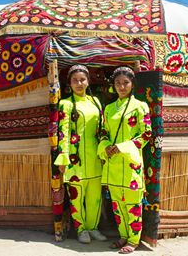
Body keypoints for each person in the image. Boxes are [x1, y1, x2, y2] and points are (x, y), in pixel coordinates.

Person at [98, 67, 152, 254]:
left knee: (132, 204)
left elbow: (146, 134)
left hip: (131, 163)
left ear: (132, 84)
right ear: (113, 85)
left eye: (125, 83)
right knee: (117, 204)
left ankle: (133, 240)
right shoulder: (109, 108)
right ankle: (123, 235)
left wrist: (122, 147)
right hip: (113, 162)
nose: (122, 86)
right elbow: (103, 132)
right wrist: (105, 146)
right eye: (118, 83)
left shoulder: (140, 106)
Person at [54, 65, 107, 244]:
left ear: (88, 81)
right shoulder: (66, 104)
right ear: (69, 83)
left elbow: (102, 129)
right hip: (75, 160)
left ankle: (93, 227)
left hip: (95, 158)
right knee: (77, 198)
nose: (79, 83)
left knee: (95, 197)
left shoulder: (96, 102)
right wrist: (63, 157)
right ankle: (81, 229)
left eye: (82, 79)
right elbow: (63, 132)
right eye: (75, 80)